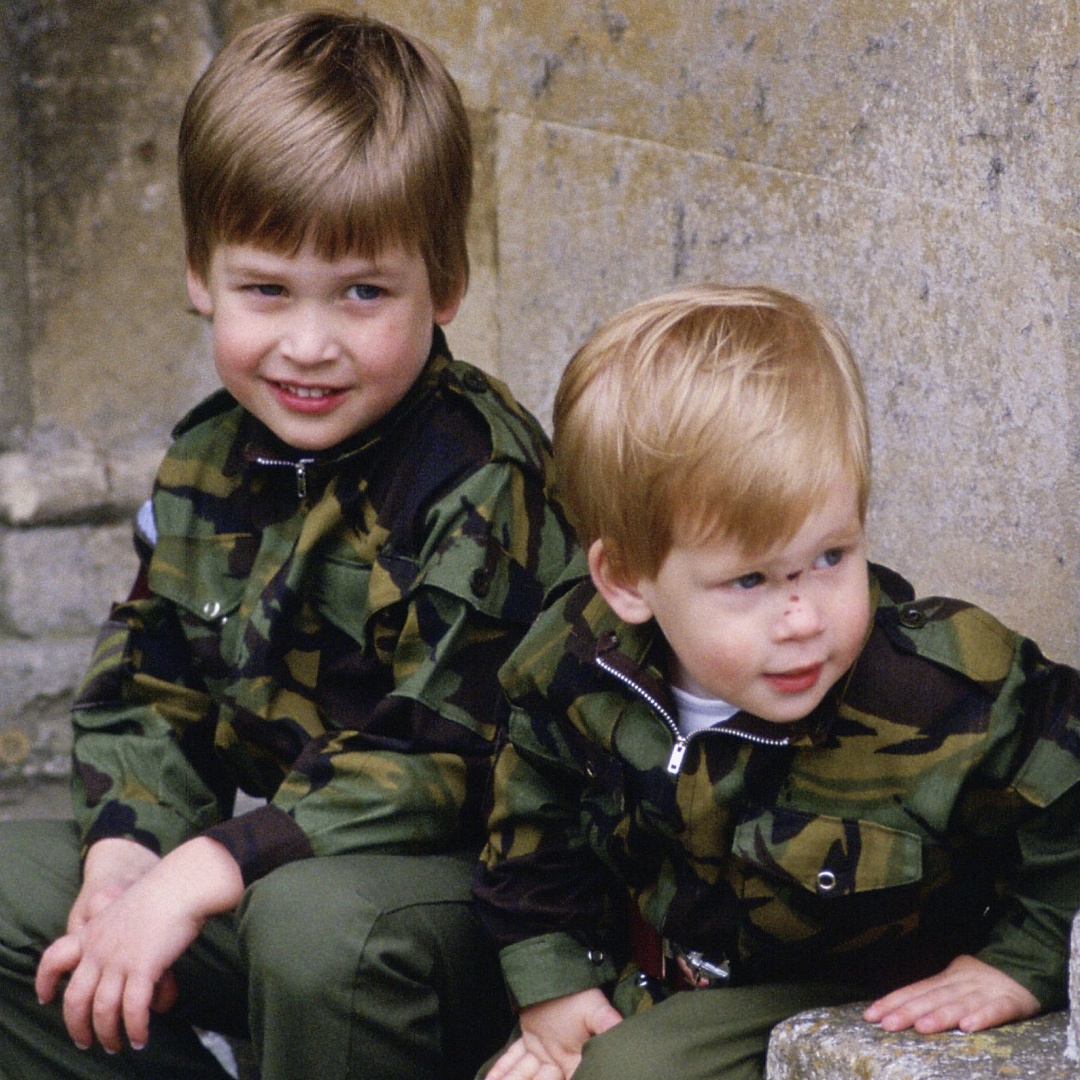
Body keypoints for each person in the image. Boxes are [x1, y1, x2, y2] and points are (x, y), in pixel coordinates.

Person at [0, 11, 576, 1080]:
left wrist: (206, 868)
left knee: (319, 933)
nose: (309, 345)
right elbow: (150, 681)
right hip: (279, 874)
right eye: (266, 288)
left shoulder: (479, 474)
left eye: (364, 291)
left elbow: (439, 758)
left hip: (475, 910)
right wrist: (129, 855)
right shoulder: (208, 459)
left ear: (445, 283)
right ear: (199, 277)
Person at [472, 283, 1080, 1080]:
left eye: (831, 557)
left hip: (856, 987)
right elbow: (531, 824)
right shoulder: (580, 660)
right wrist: (555, 982)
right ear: (626, 579)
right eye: (750, 581)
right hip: (663, 969)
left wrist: (1023, 961)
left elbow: (1071, 805)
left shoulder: (942, 686)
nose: (803, 619)